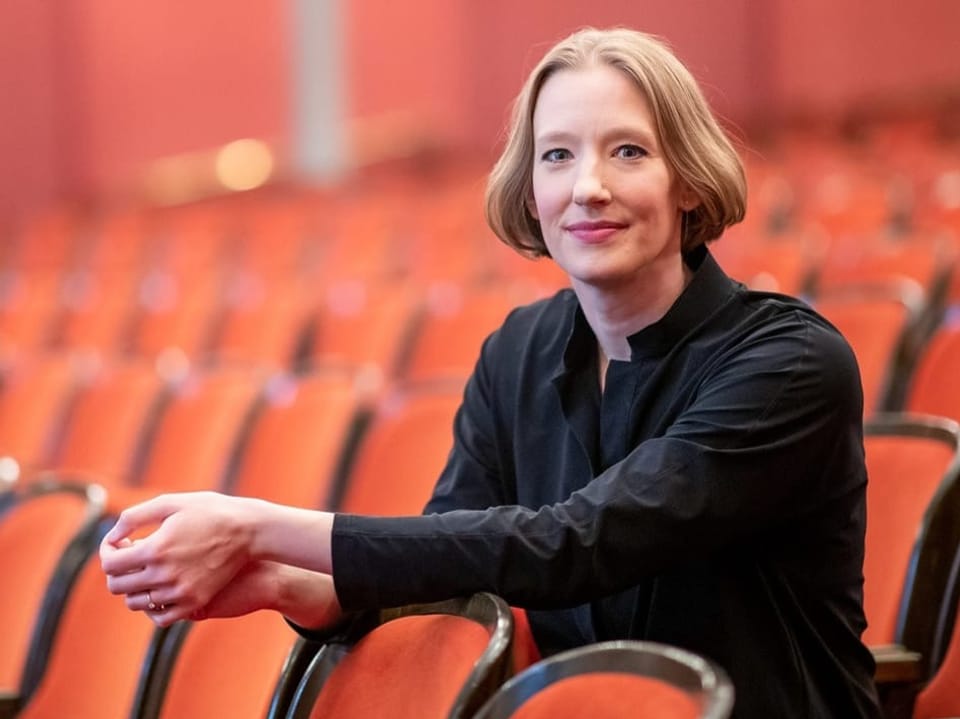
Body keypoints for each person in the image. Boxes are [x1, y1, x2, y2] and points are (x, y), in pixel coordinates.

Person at [101, 26, 881, 717]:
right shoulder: (519, 351)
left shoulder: (789, 362)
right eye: (558, 155)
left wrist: (263, 526)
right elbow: (451, 566)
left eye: (629, 151)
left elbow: (578, 544)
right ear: (532, 190)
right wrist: (285, 583)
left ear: (686, 178)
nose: (589, 187)